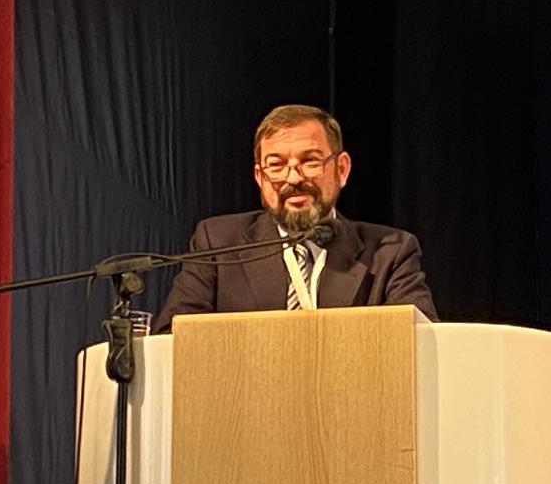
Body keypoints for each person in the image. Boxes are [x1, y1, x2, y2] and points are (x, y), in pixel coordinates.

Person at [154, 104, 436, 332]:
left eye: (310, 161)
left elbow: (420, 346)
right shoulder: (217, 242)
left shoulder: (390, 252)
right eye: (276, 165)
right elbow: (173, 339)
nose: (293, 178)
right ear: (259, 177)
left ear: (341, 169)